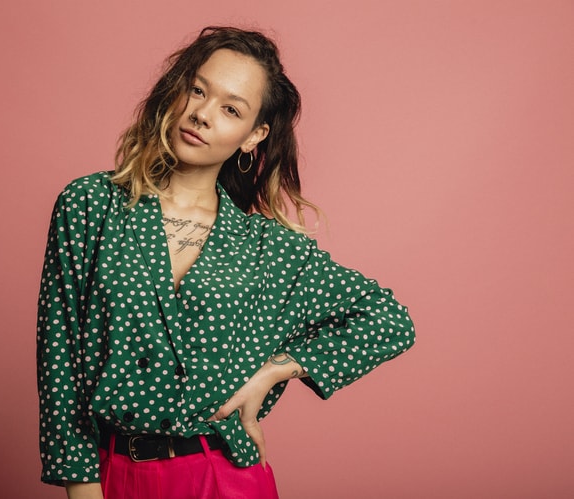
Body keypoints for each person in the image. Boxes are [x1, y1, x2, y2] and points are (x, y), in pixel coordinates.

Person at [36, 26, 415, 499]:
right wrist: (84, 488)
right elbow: (60, 363)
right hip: (114, 475)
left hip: (222, 476)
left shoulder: (268, 248)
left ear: (253, 135)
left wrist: (278, 369)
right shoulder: (91, 204)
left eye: (230, 109)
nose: (201, 114)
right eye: (197, 90)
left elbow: (390, 320)